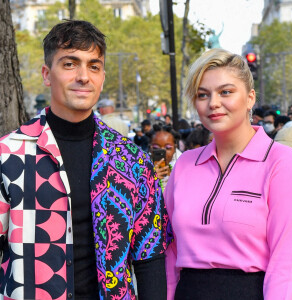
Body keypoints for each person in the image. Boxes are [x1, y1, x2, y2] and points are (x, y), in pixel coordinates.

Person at [0, 20, 169, 300]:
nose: (83, 76)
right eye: (70, 64)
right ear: (46, 74)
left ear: (102, 75)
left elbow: (149, 258)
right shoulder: (9, 155)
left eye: (94, 66)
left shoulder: (131, 160)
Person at [164, 48, 292, 299]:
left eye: (225, 92)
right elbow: (169, 252)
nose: (213, 103)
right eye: (202, 95)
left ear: (250, 98)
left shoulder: (281, 162)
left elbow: (287, 263)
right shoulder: (184, 164)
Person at [149, 124, 181, 192]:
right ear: (150, 149)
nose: (163, 152)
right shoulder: (142, 173)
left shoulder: (179, 172)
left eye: (168, 148)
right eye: (156, 148)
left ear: (175, 149)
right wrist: (150, 180)